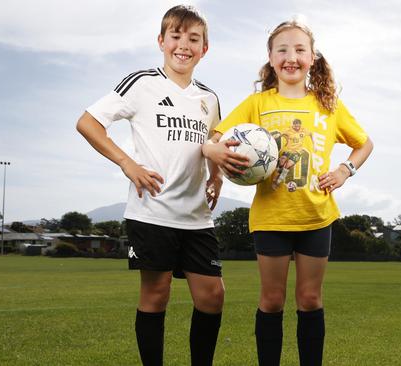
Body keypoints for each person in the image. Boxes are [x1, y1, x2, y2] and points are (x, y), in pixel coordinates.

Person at [203, 19, 374, 366]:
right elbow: (214, 139)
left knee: (310, 299)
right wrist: (214, 153)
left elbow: (364, 144)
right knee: (272, 300)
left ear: (312, 57)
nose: (291, 57)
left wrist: (345, 170)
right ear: (270, 57)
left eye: (299, 49)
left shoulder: (328, 106)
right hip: (271, 218)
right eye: (282, 50)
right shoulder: (257, 104)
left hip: (315, 217)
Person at [76, 5, 228, 366]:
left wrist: (217, 175)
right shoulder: (141, 82)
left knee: (212, 296)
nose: (184, 45)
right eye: (175, 36)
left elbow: (212, 144)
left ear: (204, 49)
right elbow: (88, 123)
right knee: (156, 296)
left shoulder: (210, 98)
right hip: (152, 211)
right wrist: (127, 163)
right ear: (161, 41)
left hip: (196, 216)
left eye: (194, 39)